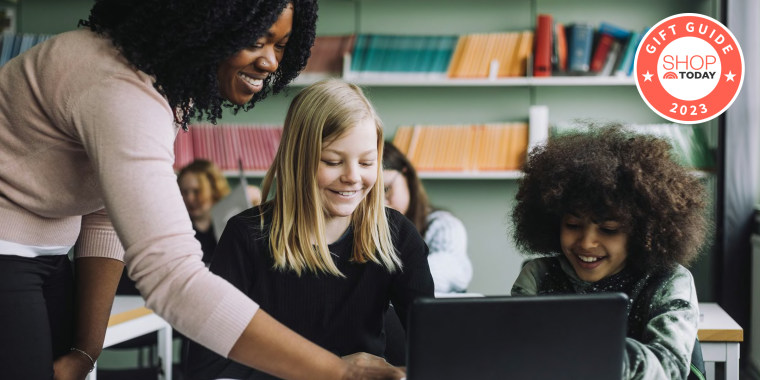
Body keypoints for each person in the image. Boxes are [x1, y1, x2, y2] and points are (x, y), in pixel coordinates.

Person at [0, 0, 406, 379]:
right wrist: (336, 372)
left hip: (47, 254)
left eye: (281, 45)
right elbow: (173, 279)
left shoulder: (166, 86)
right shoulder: (122, 91)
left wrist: (87, 350)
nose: (269, 61)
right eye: (254, 40)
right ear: (203, 23)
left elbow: (106, 208)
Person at [187, 79, 435, 379]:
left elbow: (435, 353)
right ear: (298, 160)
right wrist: (332, 370)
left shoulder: (397, 234)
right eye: (332, 161)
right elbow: (208, 366)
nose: (353, 177)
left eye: (368, 162)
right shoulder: (246, 235)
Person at [509, 125, 708, 379]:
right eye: (572, 225)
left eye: (608, 229)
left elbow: (668, 368)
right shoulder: (537, 275)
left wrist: (592, 352)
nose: (587, 242)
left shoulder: (669, 281)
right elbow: (519, 357)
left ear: (641, 233)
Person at [382, 142, 473, 293]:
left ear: (406, 176)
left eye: (386, 189)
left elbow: (451, 271)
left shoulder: (443, 226)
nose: (380, 203)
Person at [178, 159, 231, 264]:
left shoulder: (230, 224)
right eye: (184, 192)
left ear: (214, 190)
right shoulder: (179, 229)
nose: (190, 198)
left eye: (197, 191)